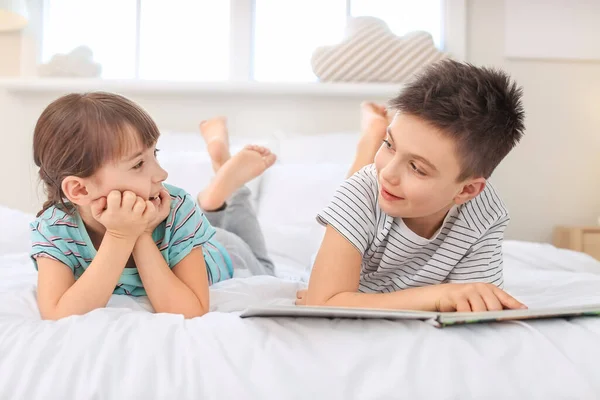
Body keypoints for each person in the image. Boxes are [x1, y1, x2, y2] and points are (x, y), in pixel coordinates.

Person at [297, 60, 527, 312]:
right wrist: (437, 297)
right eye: (389, 143)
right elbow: (324, 303)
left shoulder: (486, 215)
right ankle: (373, 134)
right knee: (364, 180)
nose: (389, 173)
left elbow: (470, 302)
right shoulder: (361, 191)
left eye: (417, 168)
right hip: (357, 205)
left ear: (466, 190)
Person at [30, 92, 275, 320]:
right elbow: (59, 314)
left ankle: (224, 183)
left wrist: (142, 234)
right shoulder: (54, 227)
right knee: (201, 224)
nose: (162, 173)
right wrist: (121, 235)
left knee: (265, 269)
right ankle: (215, 194)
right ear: (80, 190)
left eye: (154, 154)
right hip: (187, 236)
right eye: (138, 164)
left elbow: (191, 310)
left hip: (221, 251)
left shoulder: (177, 207)